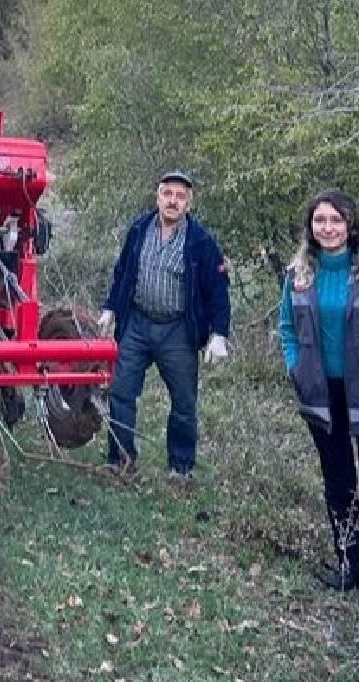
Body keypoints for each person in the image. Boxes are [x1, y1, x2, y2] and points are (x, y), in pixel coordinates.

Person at [278, 190, 359, 607]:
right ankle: (348, 563)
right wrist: (296, 367)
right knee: (338, 482)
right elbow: (286, 327)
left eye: (336, 220)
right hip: (321, 391)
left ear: (351, 225)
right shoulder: (298, 275)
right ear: (310, 227)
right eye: (320, 220)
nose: (328, 228)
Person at [97, 170, 231, 479]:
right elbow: (123, 273)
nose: (173, 201)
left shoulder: (201, 242)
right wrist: (110, 308)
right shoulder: (139, 229)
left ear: (189, 203)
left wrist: (219, 334)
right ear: (157, 196)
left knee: (184, 403)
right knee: (121, 392)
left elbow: (218, 291)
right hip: (137, 324)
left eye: (180, 196)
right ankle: (121, 461)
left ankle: (180, 468)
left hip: (177, 331)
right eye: (167, 194)